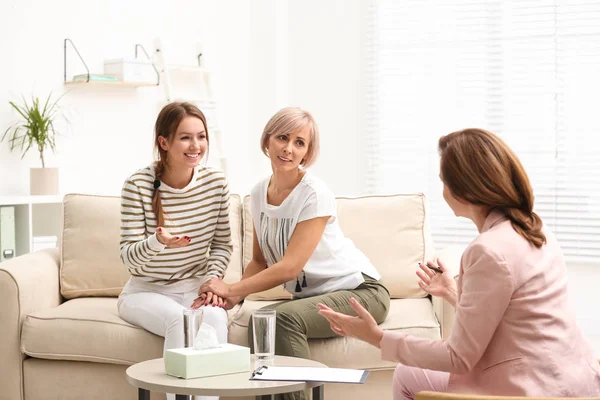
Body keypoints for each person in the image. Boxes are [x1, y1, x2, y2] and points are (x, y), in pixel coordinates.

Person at [318, 128, 600, 399]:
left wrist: (376, 337)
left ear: (465, 191)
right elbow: (515, 316)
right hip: (575, 379)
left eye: (443, 181)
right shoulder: (535, 228)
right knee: (410, 373)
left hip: (528, 390)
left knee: (406, 375)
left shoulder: (488, 251)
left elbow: (458, 357)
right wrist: (452, 292)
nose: (441, 190)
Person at [196, 106, 391, 400]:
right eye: (283, 138)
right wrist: (231, 297)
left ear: (307, 152)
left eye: (299, 143)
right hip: (314, 297)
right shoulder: (260, 193)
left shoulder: (314, 194)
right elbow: (260, 261)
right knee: (262, 322)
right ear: (268, 140)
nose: (288, 149)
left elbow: (289, 268)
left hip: (361, 291)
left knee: (284, 319)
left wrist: (231, 287)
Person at [118, 102, 232, 400]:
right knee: (179, 319)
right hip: (145, 291)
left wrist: (211, 282)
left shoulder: (215, 184)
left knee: (216, 319)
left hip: (193, 288)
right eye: (185, 137)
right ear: (164, 142)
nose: (196, 145)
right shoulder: (137, 185)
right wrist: (159, 242)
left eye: (201, 136)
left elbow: (222, 245)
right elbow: (130, 261)